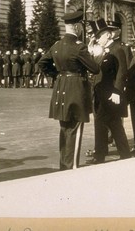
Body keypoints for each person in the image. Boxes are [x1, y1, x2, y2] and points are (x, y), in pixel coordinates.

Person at [38, 10, 99, 170]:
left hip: (61, 88)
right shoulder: (79, 47)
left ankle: (63, 165)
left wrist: (57, 76)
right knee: (75, 129)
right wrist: (92, 52)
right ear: (77, 26)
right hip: (76, 89)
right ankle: (71, 167)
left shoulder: (57, 45)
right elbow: (95, 69)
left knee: (64, 128)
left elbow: (42, 63)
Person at [85, 19, 131, 164]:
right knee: (114, 124)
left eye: (99, 36)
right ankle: (125, 153)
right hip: (101, 93)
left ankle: (99, 156)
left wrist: (117, 92)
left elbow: (122, 72)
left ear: (108, 35)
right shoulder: (102, 50)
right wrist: (90, 48)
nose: (97, 39)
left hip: (111, 94)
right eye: (96, 36)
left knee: (102, 123)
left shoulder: (117, 49)